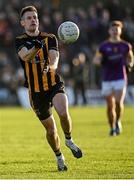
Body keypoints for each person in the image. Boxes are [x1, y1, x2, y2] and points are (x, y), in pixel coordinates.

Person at [15, 6, 82, 171]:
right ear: (22, 23)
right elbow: (25, 56)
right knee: (51, 130)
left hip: (53, 83)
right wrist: (35, 48)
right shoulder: (20, 40)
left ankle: (69, 139)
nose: (33, 20)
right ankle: (60, 157)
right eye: (29, 18)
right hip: (36, 91)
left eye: (35, 17)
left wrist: (50, 67)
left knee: (63, 112)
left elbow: (54, 59)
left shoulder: (50, 37)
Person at [93, 20, 134, 136]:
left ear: (120, 31)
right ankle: (112, 127)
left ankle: (118, 122)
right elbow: (95, 60)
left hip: (120, 77)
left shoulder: (125, 46)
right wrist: (101, 61)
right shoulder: (103, 46)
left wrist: (130, 64)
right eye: (113, 29)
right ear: (109, 31)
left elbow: (131, 58)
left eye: (117, 29)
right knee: (110, 105)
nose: (115, 31)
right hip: (107, 79)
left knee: (118, 102)